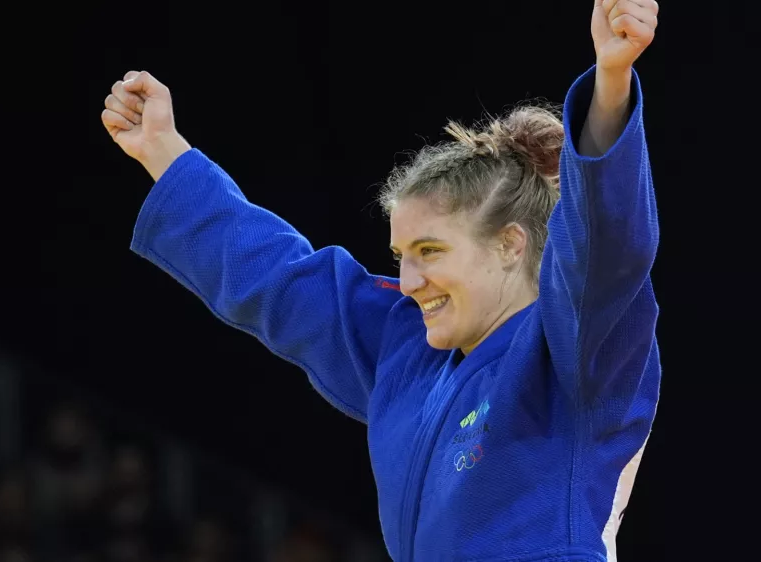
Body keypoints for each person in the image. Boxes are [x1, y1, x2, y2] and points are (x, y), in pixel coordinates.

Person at [101, 0, 660, 560]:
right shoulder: (404, 347)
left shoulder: (578, 347)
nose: (409, 280)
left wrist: (611, 84)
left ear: (510, 244)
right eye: (401, 255)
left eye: (430, 251)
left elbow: (609, 248)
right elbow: (279, 278)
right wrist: (164, 152)